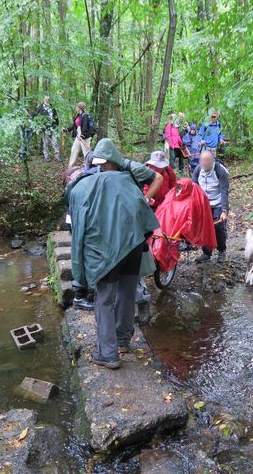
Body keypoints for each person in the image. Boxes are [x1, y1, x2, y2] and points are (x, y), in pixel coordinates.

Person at [69, 138, 160, 369]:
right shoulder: (129, 179)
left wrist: (79, 278)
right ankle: (122, 342)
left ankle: (108, 354)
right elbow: (144, 217)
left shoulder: (83, 188)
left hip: (107, 253)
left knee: (104, 299)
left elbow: (79, 234)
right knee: (127, 294)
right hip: (133, 248)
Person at [88, 140, 164, 307]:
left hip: (132, 220)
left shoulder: (132, 168)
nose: (102, 168)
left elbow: (158, 178)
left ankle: (141, 298)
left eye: (105, 164)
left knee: (133, 258)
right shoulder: (100, 171)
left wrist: (143, 199)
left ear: (112, 159)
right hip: (113, 218)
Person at [63, 167, 96, 310]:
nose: (81, 173)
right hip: (78, 226)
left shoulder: (77, 185)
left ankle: (86, 291)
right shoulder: (72, 188)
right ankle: (79, 297)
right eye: (78, 172)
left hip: (80, 224)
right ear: (69, 177)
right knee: (81, 258)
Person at [192, 151, 229, 263]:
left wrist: (224, 210)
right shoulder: (198, 170)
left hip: (217, 203)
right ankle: (206, 253)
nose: (204, 163)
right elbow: (194, 189)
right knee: (204, 228)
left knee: (218, 228)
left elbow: (224, 191)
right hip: (204, 204)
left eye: (206, 160)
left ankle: (222, 251)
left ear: (212, 160)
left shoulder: (220, 170)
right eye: (202, 160)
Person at [64, 101, 93, 168]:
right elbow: (74, 126)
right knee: (74, 150)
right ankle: (70, 166)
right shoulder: (78, 116)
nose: (76, 108)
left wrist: (82, 135)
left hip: (84, 137)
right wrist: (66, 130)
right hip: (78, 136)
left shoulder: (85, 115)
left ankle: (88, 166)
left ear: (79, 107)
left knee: (86, 152)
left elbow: (85, 127)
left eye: (77, 106)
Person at [35, 96, 61, 162]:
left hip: (53, 128)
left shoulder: (52, 107)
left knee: (55, 142)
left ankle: (57, 157)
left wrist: (57, 125)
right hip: (45, 128)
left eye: (48, 99)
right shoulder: (40, 108)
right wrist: (41, 126)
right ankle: (46, 157)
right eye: (46, 99)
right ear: (43, 100)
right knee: (45, 143)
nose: (47, 100)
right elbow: (36, 119)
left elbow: (56, 117)